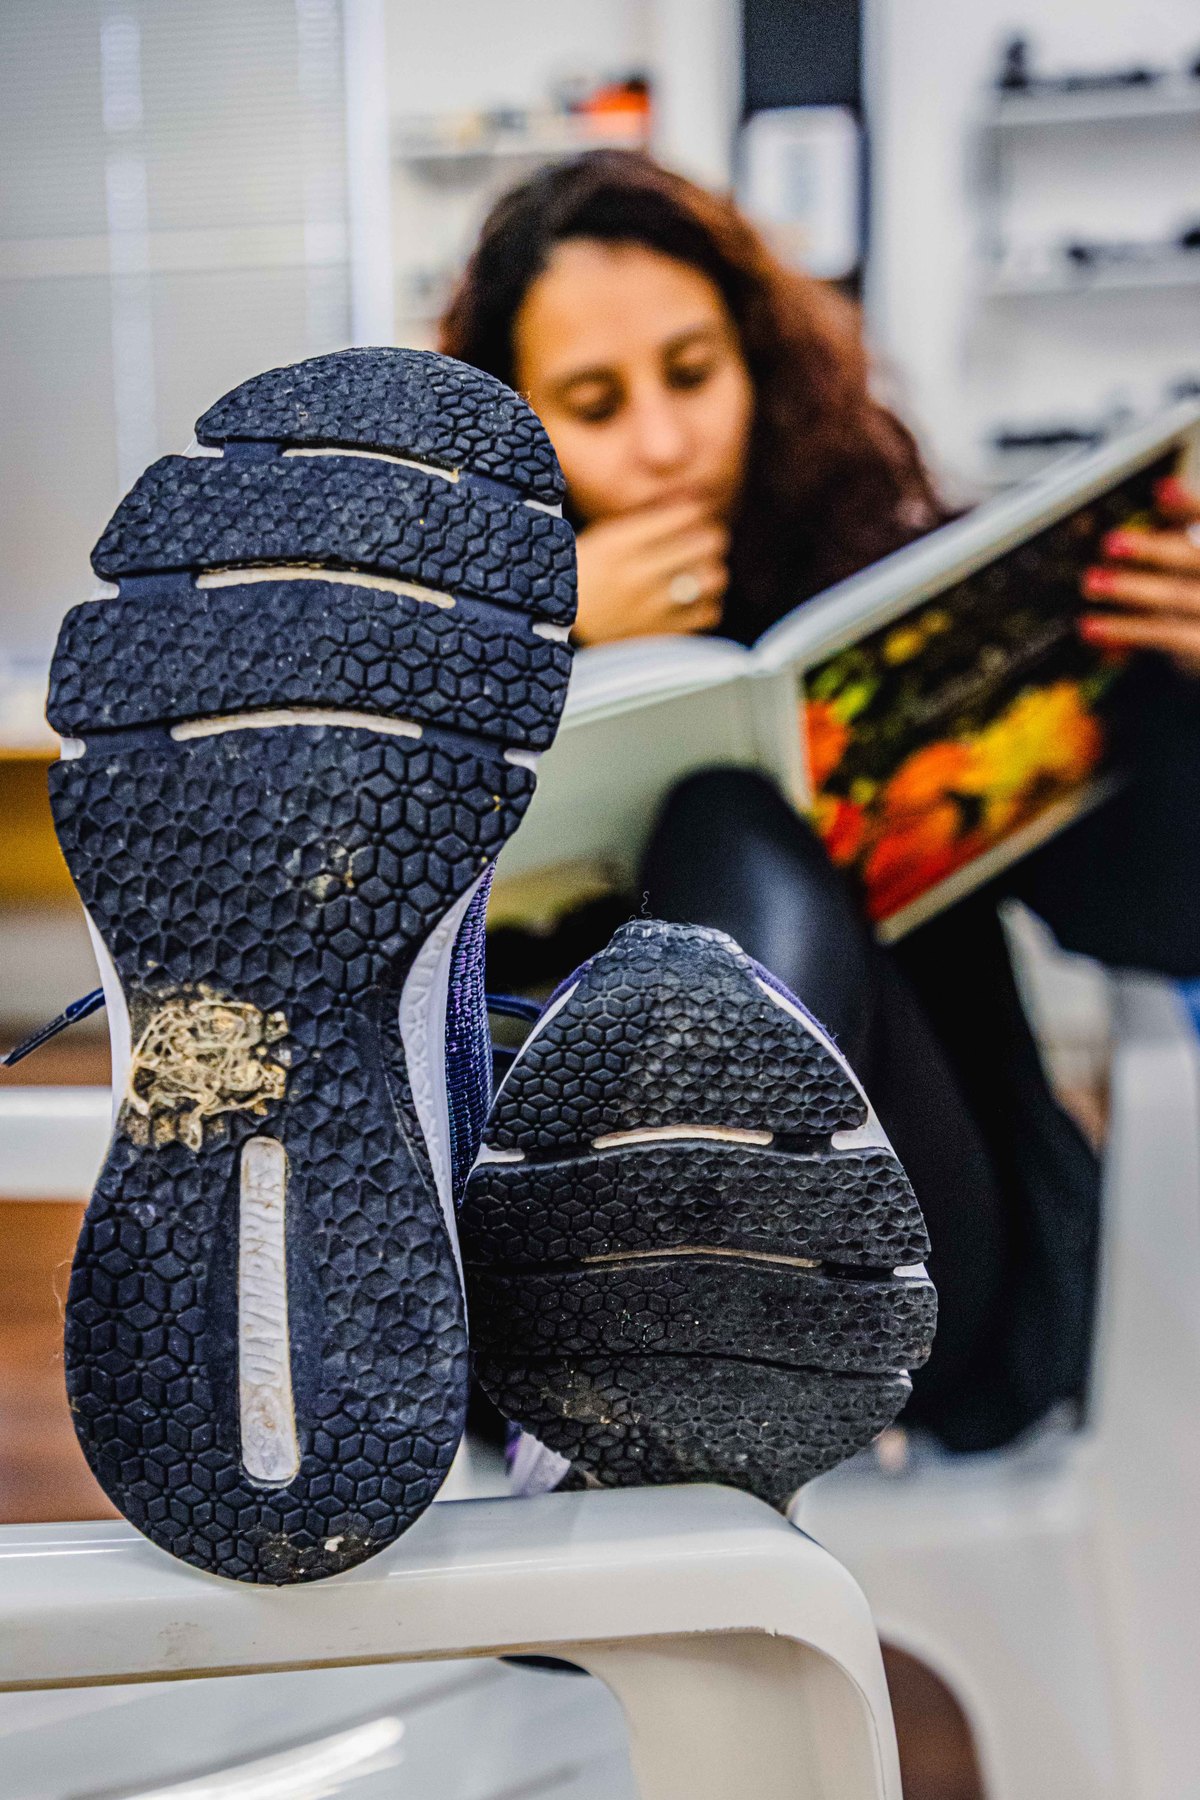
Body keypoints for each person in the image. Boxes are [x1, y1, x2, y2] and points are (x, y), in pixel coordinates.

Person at [441, 150, 1200, 1451]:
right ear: (515, 430)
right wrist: (539, 646)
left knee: (727, 817)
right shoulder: (465, 646)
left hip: (914, 1245)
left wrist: (1185, 697)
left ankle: (644, 1393)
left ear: (758, 365)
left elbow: (1155, 922)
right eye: (594, 403)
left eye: (693, 375)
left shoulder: (881, 576)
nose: (664, 444)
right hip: (567, 1236)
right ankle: (661, 1361)